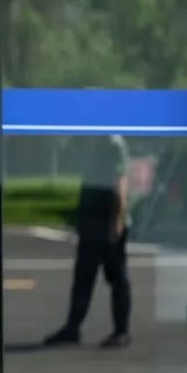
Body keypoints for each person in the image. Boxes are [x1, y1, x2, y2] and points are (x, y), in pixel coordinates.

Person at [44, 134, 132, 348]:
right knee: (83, 278)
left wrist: (117, 220)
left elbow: (120, 180)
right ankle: (72, 328)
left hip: (107, 219)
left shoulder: (112, 143)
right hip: (91, 222)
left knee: (116, 277)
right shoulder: (91, 141)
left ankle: (121, 331)